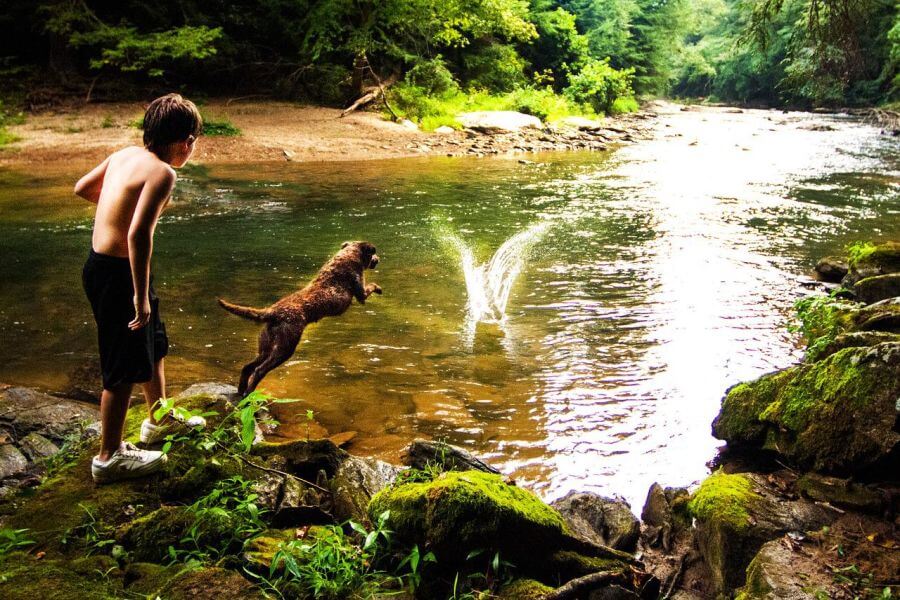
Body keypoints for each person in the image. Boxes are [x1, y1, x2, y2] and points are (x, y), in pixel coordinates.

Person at [77, 93, 206, 483]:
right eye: (193, 140)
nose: (192, 148)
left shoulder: (124, 155)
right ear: (185, 140)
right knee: (122, 365)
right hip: (120, 274)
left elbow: (82, 187)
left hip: (100, 266)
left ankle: (159, 418)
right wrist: (138, 295)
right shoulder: (164, 174)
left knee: (154, 343)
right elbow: (138, 235)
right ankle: (109, 457)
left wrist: (117, 201)